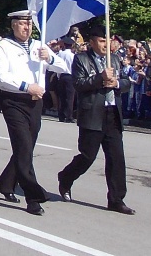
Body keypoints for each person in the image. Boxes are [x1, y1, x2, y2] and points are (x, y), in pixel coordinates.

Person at [0, 10, 67, 215]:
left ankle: (5, 184)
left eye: (30, 24)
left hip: (35, 102)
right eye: (23, 24)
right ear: (14, 25)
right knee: (23, 146)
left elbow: (65, 67)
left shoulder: (38, 45)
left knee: (26, 148)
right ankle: (33, 197)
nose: (27, 28)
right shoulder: (4, 46)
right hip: (14, 101)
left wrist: (50, 59)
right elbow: (0, 76)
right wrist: (26, 86)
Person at [58, 25, 134, 214]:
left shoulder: (114, 60)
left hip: (112, 114)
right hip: (93, 114)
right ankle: (66, 178)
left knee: (117, 158)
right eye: (101, 41)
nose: (105, 44)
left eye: (107, 40)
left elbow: (126, 82)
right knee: (87, 156)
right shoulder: (81, 59)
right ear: (91, 43)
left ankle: (116, 199)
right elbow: (79, 84)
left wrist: (116, 83)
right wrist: (100, 78)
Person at [56, 37, 76, 123]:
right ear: (71, 46)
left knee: (62, 96)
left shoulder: (60, 54)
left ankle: (61, 115)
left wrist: (58, 75)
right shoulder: (72, 56)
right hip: (70, 76)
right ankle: (68, 116)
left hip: (61, 76)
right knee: (70, 97)